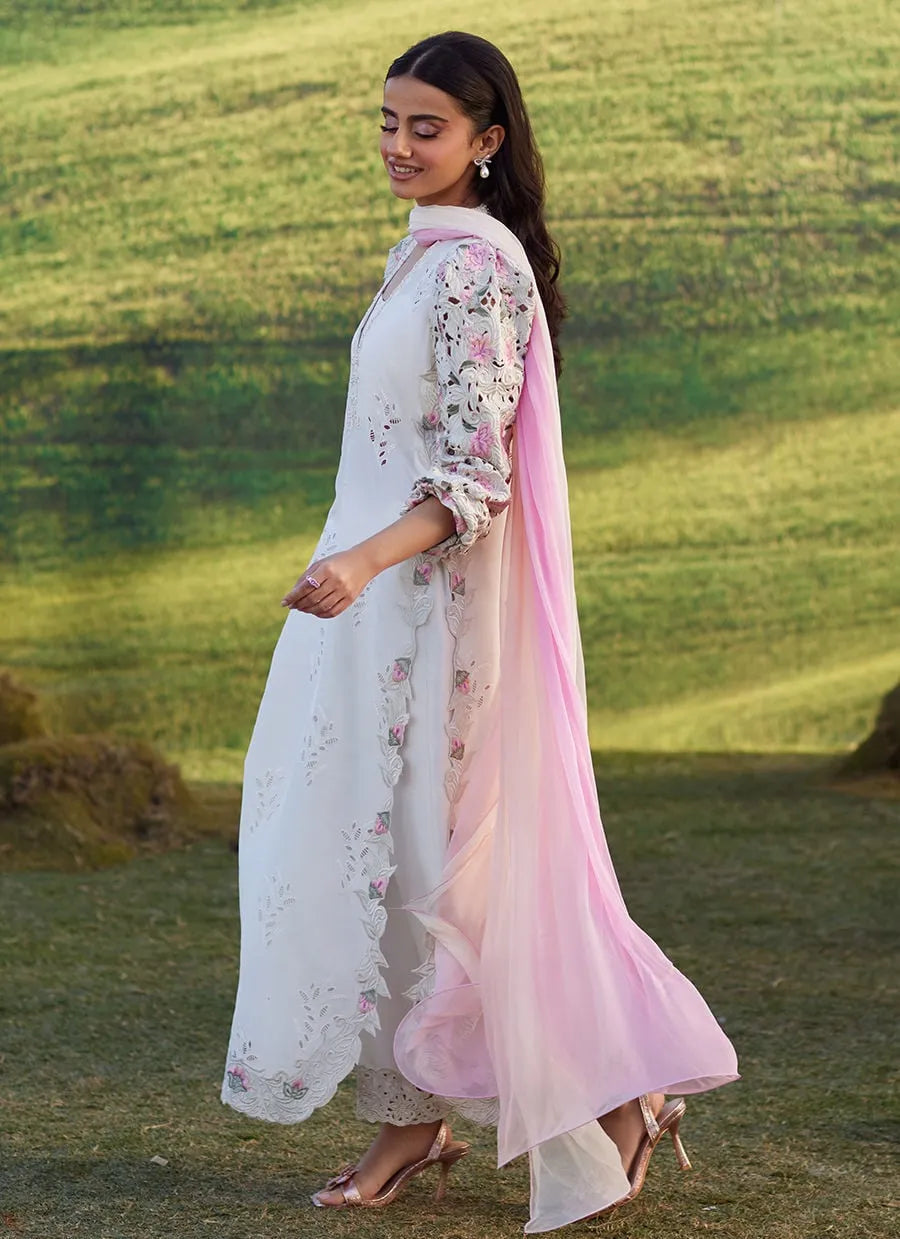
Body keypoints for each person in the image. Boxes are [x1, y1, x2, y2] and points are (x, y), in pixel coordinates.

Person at [220, 30, 740, 1233]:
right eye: (388, 123)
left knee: (436, 860)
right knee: (382, 850)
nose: (400, 147)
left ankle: (594, 1090)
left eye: (428, 127)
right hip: (369, 612)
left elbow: (474, 479)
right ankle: (450, 1106)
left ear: (488, 141)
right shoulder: (425, 257)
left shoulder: (473, 272)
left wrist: (359, 561)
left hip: (425, 618)